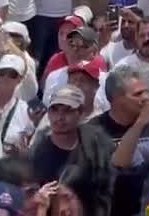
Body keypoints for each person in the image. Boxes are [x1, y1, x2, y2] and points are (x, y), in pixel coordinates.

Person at [27, 85, 115, 215]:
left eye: (67, 111)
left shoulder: (96, 145)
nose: (60, 117)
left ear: (81, 113)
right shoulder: (38, 151)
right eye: (54, 110)